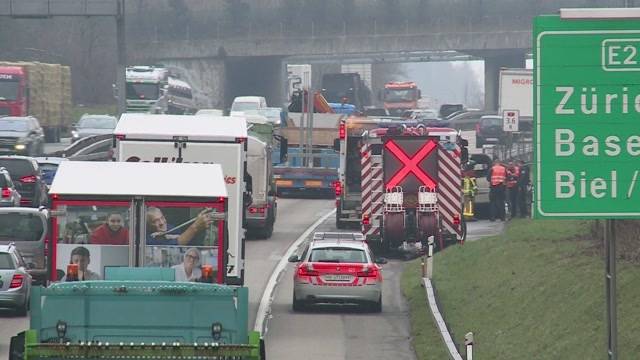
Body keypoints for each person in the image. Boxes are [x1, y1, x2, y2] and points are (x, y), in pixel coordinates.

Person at [146, 207, 214, 246]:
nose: (162, 223)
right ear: (149, 226)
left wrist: (168, 236)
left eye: (162, 218)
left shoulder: (171, 228)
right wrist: (195, 226)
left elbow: (186, 241)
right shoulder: (148, 238)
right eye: (155, 221)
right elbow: (177, 243)